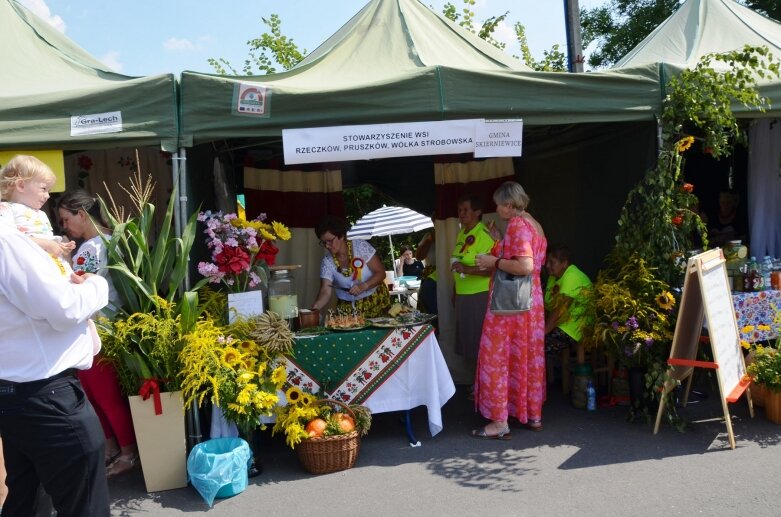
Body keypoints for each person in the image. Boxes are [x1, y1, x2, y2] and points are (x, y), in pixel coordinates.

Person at [0, 185, 111, 516]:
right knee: (83, 503)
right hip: (45, 395)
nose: (43, 201)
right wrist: (96, 285)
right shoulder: (8, 242)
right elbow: (63, 308)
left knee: (28, 497)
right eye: (41, 190)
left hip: (17, 392)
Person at [58, 189, 139, 477]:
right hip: (114, 327)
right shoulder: (115, 240)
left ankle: (125, 453)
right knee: (101, 394)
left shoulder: (90, 248)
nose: (65, 228)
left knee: (101, 395)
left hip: (98, 330)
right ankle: (116, 449)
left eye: (66, 220)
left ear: (81, 214)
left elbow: (73, 289)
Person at [473, 181, 547, 439]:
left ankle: (499, 421)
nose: (496, 208)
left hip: (510, 305)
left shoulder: (517, 224)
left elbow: (524, 266)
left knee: (498, 356)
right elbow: (529, 260)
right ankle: (532, 414)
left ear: (508, 204)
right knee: (526, 355)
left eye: (498, 203)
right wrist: (500, 242)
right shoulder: (534, 224)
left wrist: (493, 261)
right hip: (531, 301)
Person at [0, 155, 76, 273]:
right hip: (27, 268)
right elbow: (9, 241)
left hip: (49, 265)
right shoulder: (6, 209)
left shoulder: (41, 214)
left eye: (49, 191)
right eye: (44, 189)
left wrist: (59, 246)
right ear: (21, 185)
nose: (48, 195)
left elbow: (47, 239)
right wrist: (47, 244)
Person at [450, 194, 496, 375]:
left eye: (466, 210)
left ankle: (486, 385)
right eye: (459, 210)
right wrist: (455, 291)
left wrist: (466, 270)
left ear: (477, 212)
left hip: (479, 294)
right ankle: (480, 383)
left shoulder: (483, 234)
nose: (461, 213)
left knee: (481, 342)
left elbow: (493, 268)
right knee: (469, 342)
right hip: (463, 294)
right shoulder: (462, 233)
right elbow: (457, 266)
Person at [311, 215, 391, 318]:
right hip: (348, 309)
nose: (327, 246)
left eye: (330, 241)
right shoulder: (327, 261)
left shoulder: (360, 246)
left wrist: (364, 286)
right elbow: (325, 291)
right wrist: (315, 307)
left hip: (375, 301)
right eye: (323, 242)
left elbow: (380, 273)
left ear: (341, 236)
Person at [543, 244, 592, 364]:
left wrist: (543, 331)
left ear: (564, 263)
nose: (547, 266)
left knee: (537, 345)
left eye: (552, 262)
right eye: (546, 262)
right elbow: (545, 305)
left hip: (576, 327)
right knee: (530, 340)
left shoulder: (572, 276)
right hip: (562, 325)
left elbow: (560, 309)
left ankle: (534, 381)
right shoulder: (552, 278)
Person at [416, 231, 438, 316]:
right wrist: (429, 240)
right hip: (430, 273)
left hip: (448, 271)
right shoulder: (428, 236)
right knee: (426, 303)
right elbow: (419, 256)